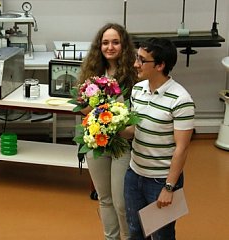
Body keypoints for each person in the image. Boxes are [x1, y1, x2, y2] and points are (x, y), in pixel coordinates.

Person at [123, 37, 195, 239]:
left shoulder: (181, 99)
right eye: (137, 58)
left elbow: (182, 149)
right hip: (134, 174)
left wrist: (169, 187)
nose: (136, 64)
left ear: (160, 65)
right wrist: (113, 130)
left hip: (160, 180)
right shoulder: (137, 90)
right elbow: (134, 130)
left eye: (142, 60)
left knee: (162, 235)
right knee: (135, 231)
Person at [79, 23, 138, 240]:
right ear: (99, 46)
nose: (110, 47)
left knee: (121, 202)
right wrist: (91, 105)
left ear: (124, 45)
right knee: (104, 198)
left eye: (115, 42)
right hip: (97, 142)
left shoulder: (134, 73)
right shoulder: (92, 72)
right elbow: (83, 108)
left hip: (122, 145)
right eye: (105, 42)